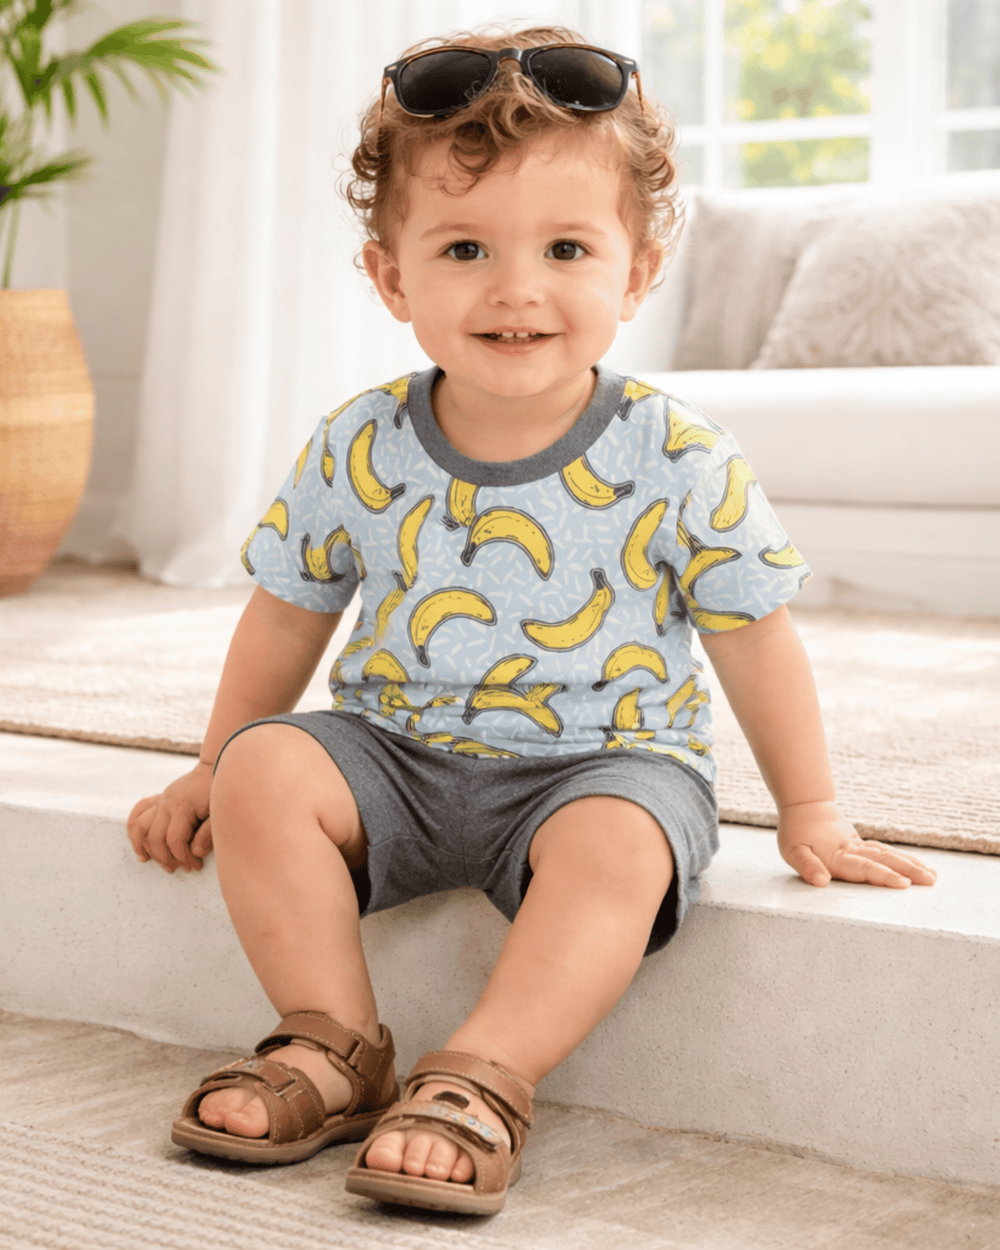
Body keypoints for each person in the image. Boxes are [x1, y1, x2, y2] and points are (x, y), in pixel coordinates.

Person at [127, 25, 937, 1216]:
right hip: (394, 756)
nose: (517, 287)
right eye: (464, 247)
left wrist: (809, 807)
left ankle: (484, 1067)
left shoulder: (676, 455)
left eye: (566, 247)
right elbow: (286, 613)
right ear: (393, 276)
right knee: (265, 768)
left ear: (637, 271)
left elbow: (753, 638)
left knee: (622, 841)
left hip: (600, 763)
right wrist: (212, 762)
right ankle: (334, 1043)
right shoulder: (360, 441)